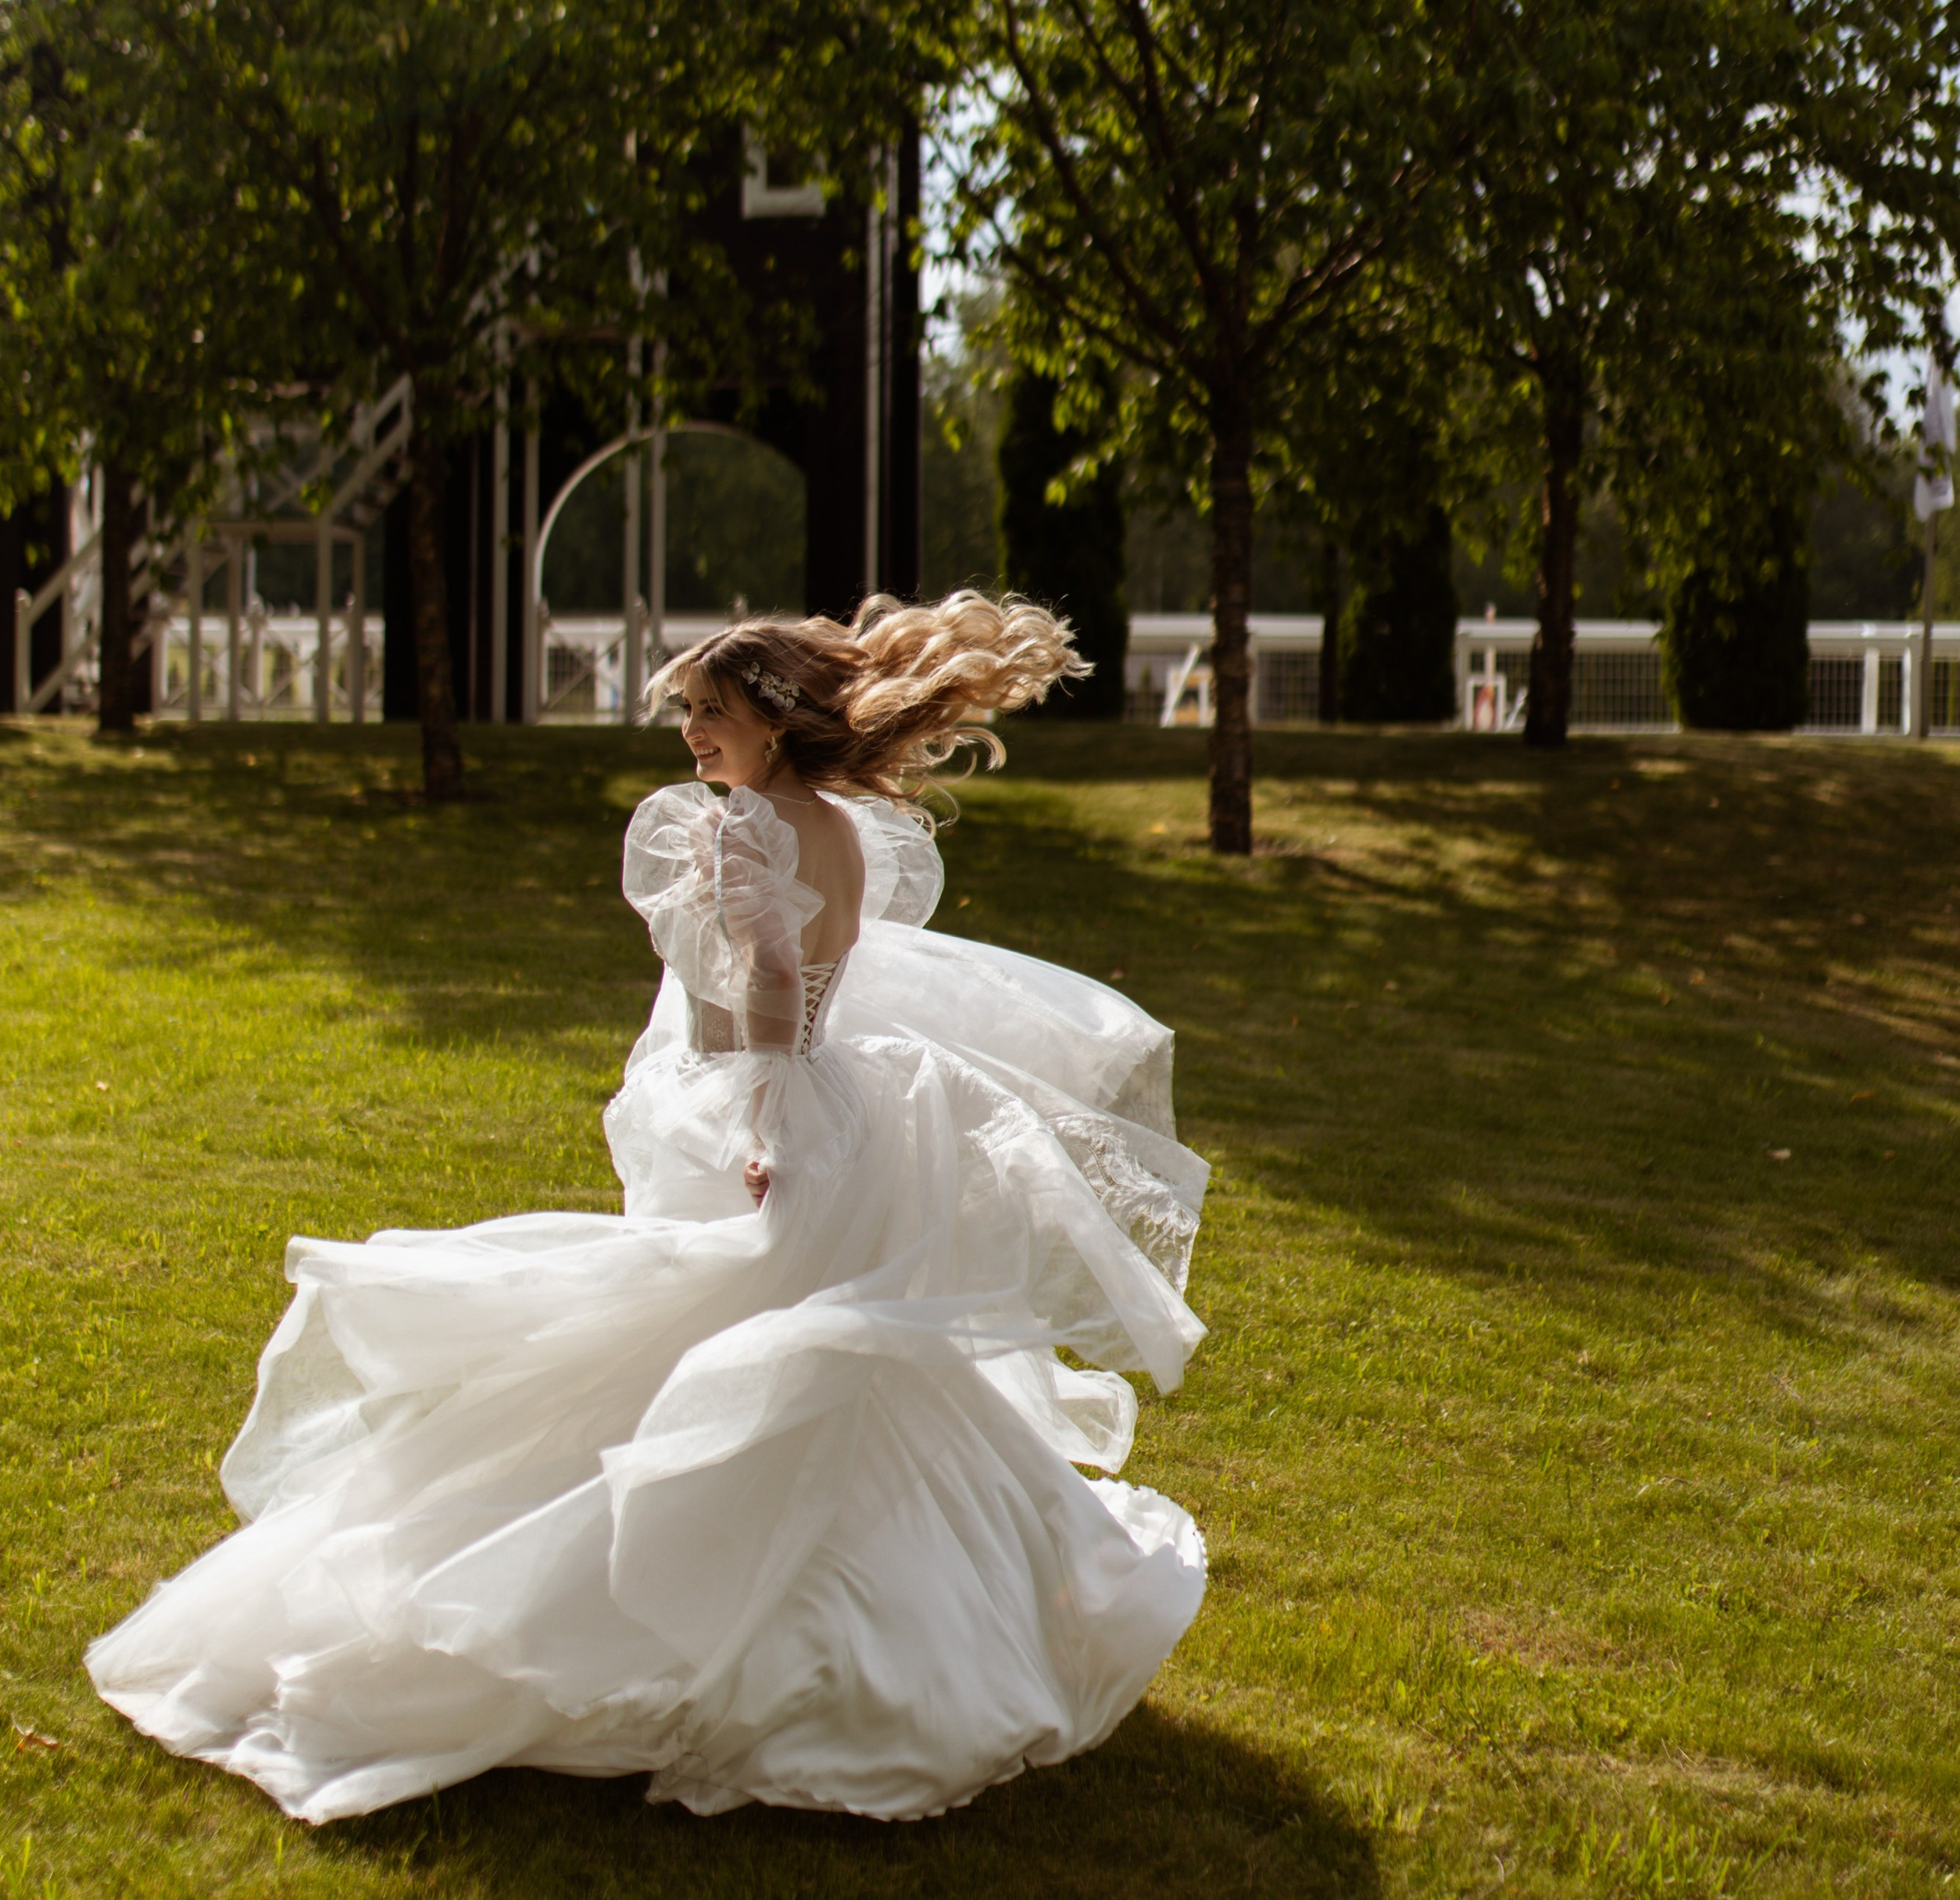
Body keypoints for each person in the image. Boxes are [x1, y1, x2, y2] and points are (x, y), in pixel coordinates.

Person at [87, 591, 1209, 1823]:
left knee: (726, 1345)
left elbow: (778, 975)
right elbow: (829, 963)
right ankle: (899, 1623)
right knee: (829, 1364)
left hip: (778, 1108)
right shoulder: (836, 823)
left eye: (710, 712)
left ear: (773, 725)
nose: (691, 735)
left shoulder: (741, 832)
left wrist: (769, 1115)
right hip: (849, 1111)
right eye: (687, 712)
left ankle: (692, 1624)